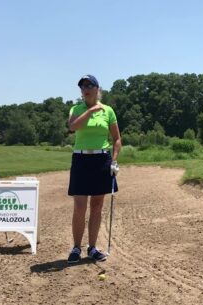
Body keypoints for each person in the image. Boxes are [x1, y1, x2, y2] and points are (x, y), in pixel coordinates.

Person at [67, 74, 121, 264]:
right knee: (80, 206)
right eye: (82, 87)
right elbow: (72, 127)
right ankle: (76, 247)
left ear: (97, 89)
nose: (85, 89)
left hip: (101, 160)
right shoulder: (76, 109)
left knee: (96, 206)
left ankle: (92, 248)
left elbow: (117, 139)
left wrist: (114, 161)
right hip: (81, 159)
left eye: (89, 85)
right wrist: (91, 111)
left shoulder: (108, 111)